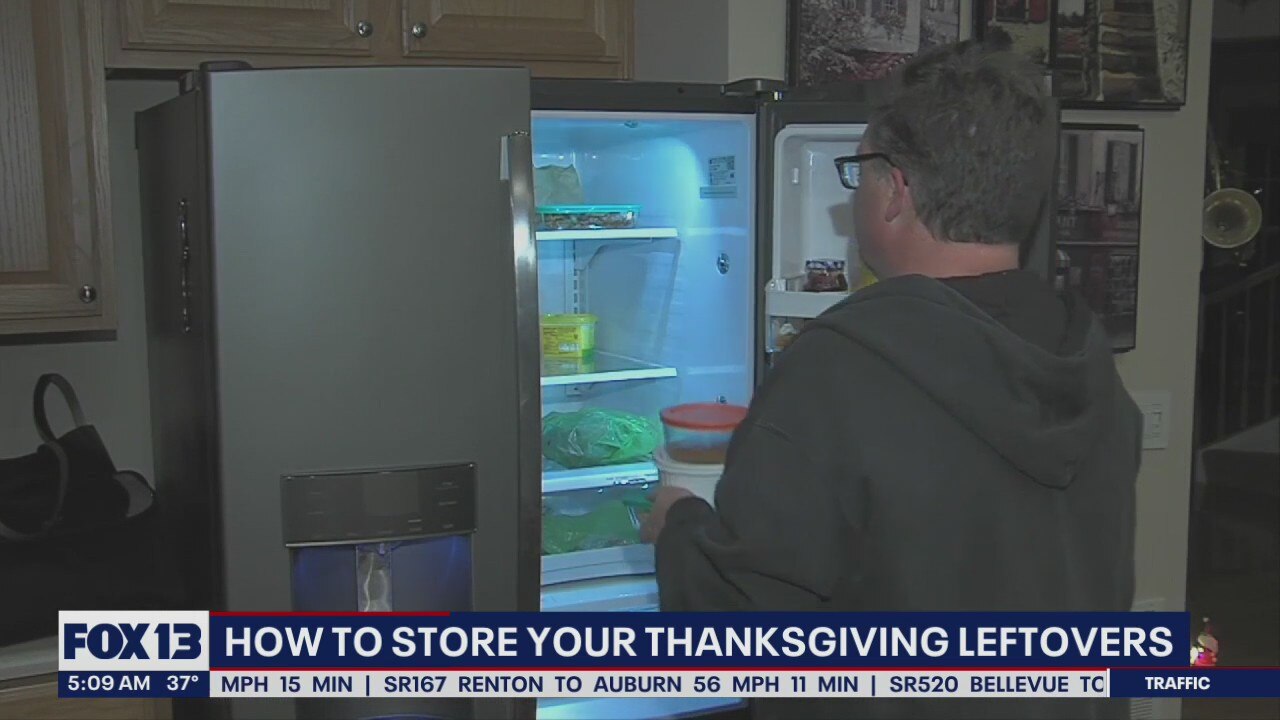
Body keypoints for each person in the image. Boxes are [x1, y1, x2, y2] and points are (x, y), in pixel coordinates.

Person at [640, 41, 1141, 720]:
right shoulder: (1088, 362)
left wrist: (677, 526)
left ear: (897, 191)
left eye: (861, 173)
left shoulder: (838, 368)